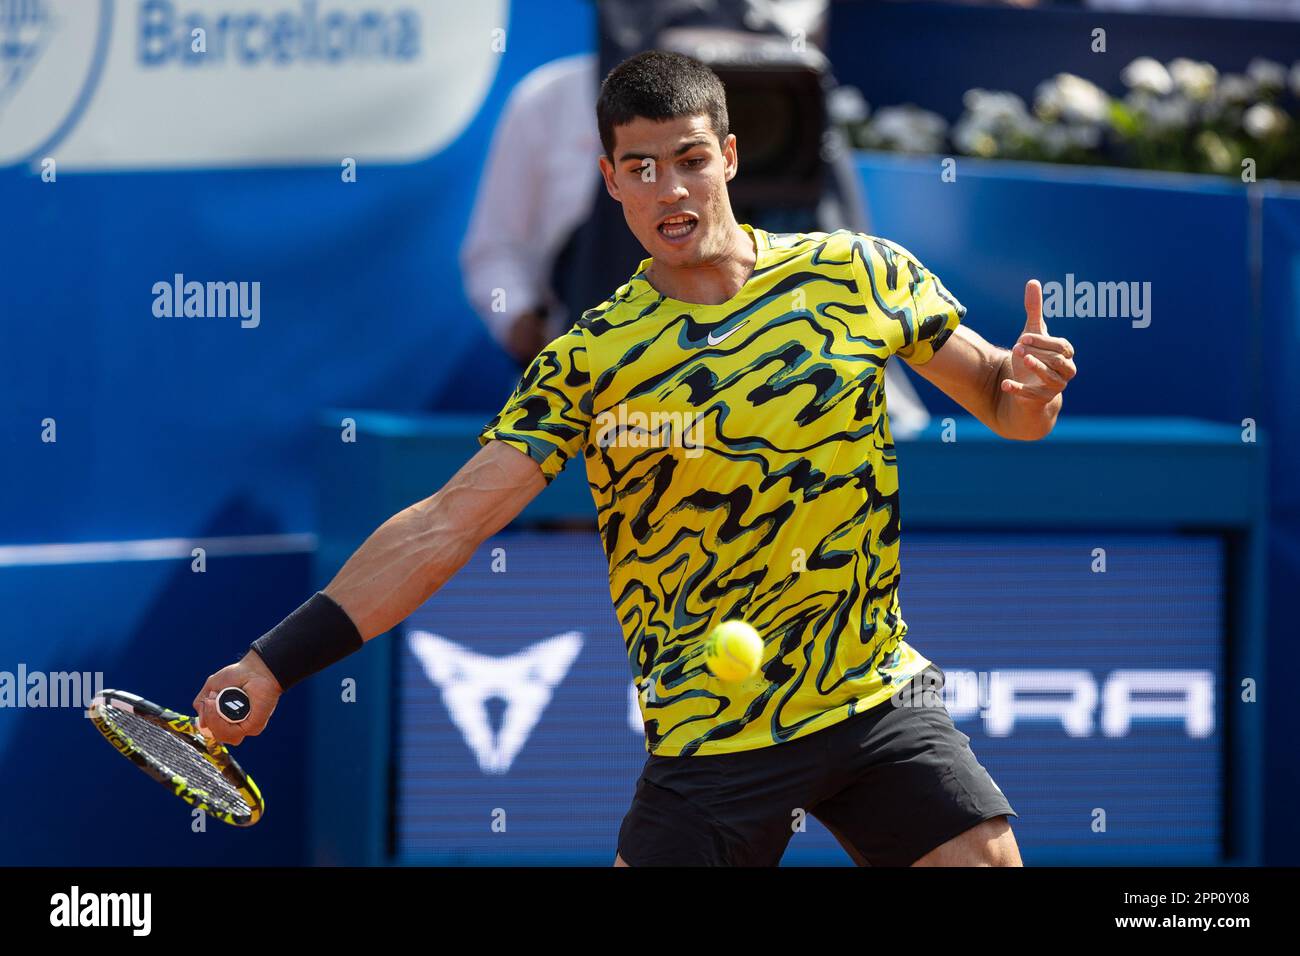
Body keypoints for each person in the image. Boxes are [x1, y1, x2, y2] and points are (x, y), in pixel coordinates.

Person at [195, 51, 1077, 867]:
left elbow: (1005, 405)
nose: (671, 187)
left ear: (729, 157)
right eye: (642, 167)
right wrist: (274, 662)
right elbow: (447, 525)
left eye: (690, 158)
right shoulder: (590, 359)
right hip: (709, 740)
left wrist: (1030, 389)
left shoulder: (860, 275)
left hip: (875, 700)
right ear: (611, 180)